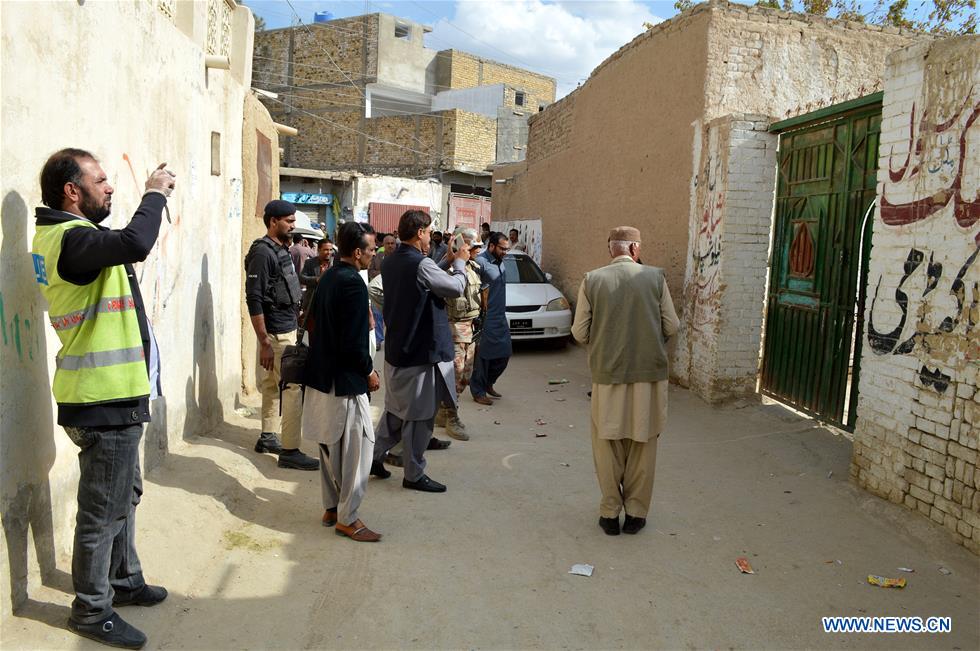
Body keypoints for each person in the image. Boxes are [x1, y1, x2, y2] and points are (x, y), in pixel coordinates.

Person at [32, 148, 175, 648]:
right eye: (100, 180)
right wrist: (154, 193)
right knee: (102, 511)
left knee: (124, 495)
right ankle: (91, 610)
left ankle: (124, 579)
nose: (110, 186)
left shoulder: (70, 237)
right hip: (101, 400)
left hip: (110, 395)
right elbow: (136, 241)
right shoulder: (72, 240)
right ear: (72, 191)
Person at [571, 226, 679, 536]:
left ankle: (609, 514)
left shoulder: (592, 279)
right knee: (643, 445)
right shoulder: (655, 278)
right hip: (649, 378)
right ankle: (635, 515)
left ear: (611, 249)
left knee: (607, 445)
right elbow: (672, 326)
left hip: (607, 377)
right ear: (634, 249)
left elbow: (579, 332)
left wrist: (604, 342)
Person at [372, 210, 470, 492]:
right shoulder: (420, 263)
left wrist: (446, 261)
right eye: (428, 232)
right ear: (419, 233)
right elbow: (454, 287)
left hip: (399, 349)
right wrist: (460, 263)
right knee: (420, 416)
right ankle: (413, 474)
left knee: (395, 411)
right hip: (419, 352)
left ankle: (374, 458)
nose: (430, 237)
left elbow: (422, 277)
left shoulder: (392, 260)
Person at [302, 222, 382, 542]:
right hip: (344, 381)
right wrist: (369, 371)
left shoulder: (329, 276)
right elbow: (353, 342)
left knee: (329, 446)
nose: (374, 255)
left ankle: (332, 508)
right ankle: (347, 519)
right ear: (358, 252)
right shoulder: (352, 283)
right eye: (372, 249)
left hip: (322, 375)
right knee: (357, 452)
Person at [244, 200, 319, 470]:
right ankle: (290, 450)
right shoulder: (263, 253)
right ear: (273, 222)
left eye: (293, 220)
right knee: (292, 388)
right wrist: (264, 341)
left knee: (272, 385)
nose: (293, 225)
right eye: (288, 221)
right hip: (276, 335)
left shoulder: (281, 249)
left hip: (285, 328)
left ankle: (268, 436)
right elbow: (254, 299)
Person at [437, 228, 484, 440]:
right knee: (454, 376)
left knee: (466, 376)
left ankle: (441, 412)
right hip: (453, 330)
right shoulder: (449, 271)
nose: (477, 250)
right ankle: (451, 417)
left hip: (470, 330)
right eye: (474, 246)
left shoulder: (473, 268)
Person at [470, 232, 511, 406]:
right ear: (492, 246)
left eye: (507, 249)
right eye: (502, 249)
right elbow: (470, 289)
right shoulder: (480, 262)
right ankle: (478, 391)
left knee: (504, 354)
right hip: (486, 318)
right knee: (484, 357)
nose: (505, 252)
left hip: (500, 316)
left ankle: (488, 383)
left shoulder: (500, 262)